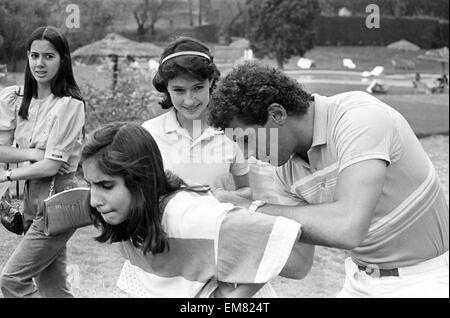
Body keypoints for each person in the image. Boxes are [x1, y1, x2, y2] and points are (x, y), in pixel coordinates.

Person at [207, 61, 449, 298]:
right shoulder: (286, 172)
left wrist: (249, 208)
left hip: (427, 280)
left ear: (277, 114)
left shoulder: (358, 117)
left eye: (246, 140)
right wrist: (227, 230)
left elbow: (348, 227)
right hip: (359, 280)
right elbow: (299, 264)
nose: (246, 154)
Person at [75, 121, 313, 297]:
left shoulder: (192, 218)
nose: (95, 200)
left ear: (140, 179)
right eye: (90, 185)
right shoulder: (129, 219)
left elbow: (289, 254)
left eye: (106, 186)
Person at [0, 26, 85, 297]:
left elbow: (51, 167)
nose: (40, 63)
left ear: (63, 60)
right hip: (31, 196)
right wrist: (32, 154)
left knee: (12, 281)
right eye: (34, 55)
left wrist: (9, 175)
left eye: (49, 56)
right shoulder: (15, 98)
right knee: (53, 287)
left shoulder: (70, 104)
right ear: (27, 56)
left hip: (59, 195)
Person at [142, 37, 252, 200]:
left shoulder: (232, 131)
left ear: (211, 82)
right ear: (167, 88)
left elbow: (246, 190)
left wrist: (223, 197)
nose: (189, 100)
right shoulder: (149, 133)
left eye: (198, 88)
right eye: (179, 90)